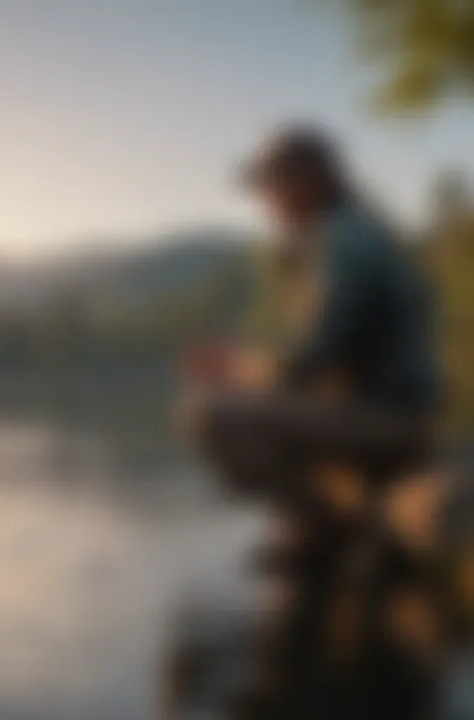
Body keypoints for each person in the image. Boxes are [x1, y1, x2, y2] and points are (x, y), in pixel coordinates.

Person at [190, 125, 444, 720]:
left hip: (388, 419)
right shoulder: (347, 234)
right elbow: (321, 363)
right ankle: (326, 527)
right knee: (241, 408)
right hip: (385, 413)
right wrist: (255, 369)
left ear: (308, 180)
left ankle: (329, 528)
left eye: (270, 185)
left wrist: (238, 369)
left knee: (213, 416)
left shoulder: (345, 238)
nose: (266, 201)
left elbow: (316, 356)